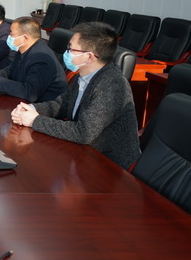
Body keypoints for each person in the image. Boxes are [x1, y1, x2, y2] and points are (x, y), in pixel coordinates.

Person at [10, 22, 141, 169]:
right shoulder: (83, 75)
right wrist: (31, 109)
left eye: (70, 49)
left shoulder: (112, 84)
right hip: (82, 153)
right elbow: (61, 105)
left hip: (108, 165)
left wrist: (35, 121)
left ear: (89, 57)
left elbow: (83, 132)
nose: (66, 53)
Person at [0, 16, 66, 103]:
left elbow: (30, 92)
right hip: (21, 102)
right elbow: (9, 72)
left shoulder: (41, 57)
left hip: (42, 109)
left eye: (11, 33)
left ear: (24, 38)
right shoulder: (24, 49)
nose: (8, 36)